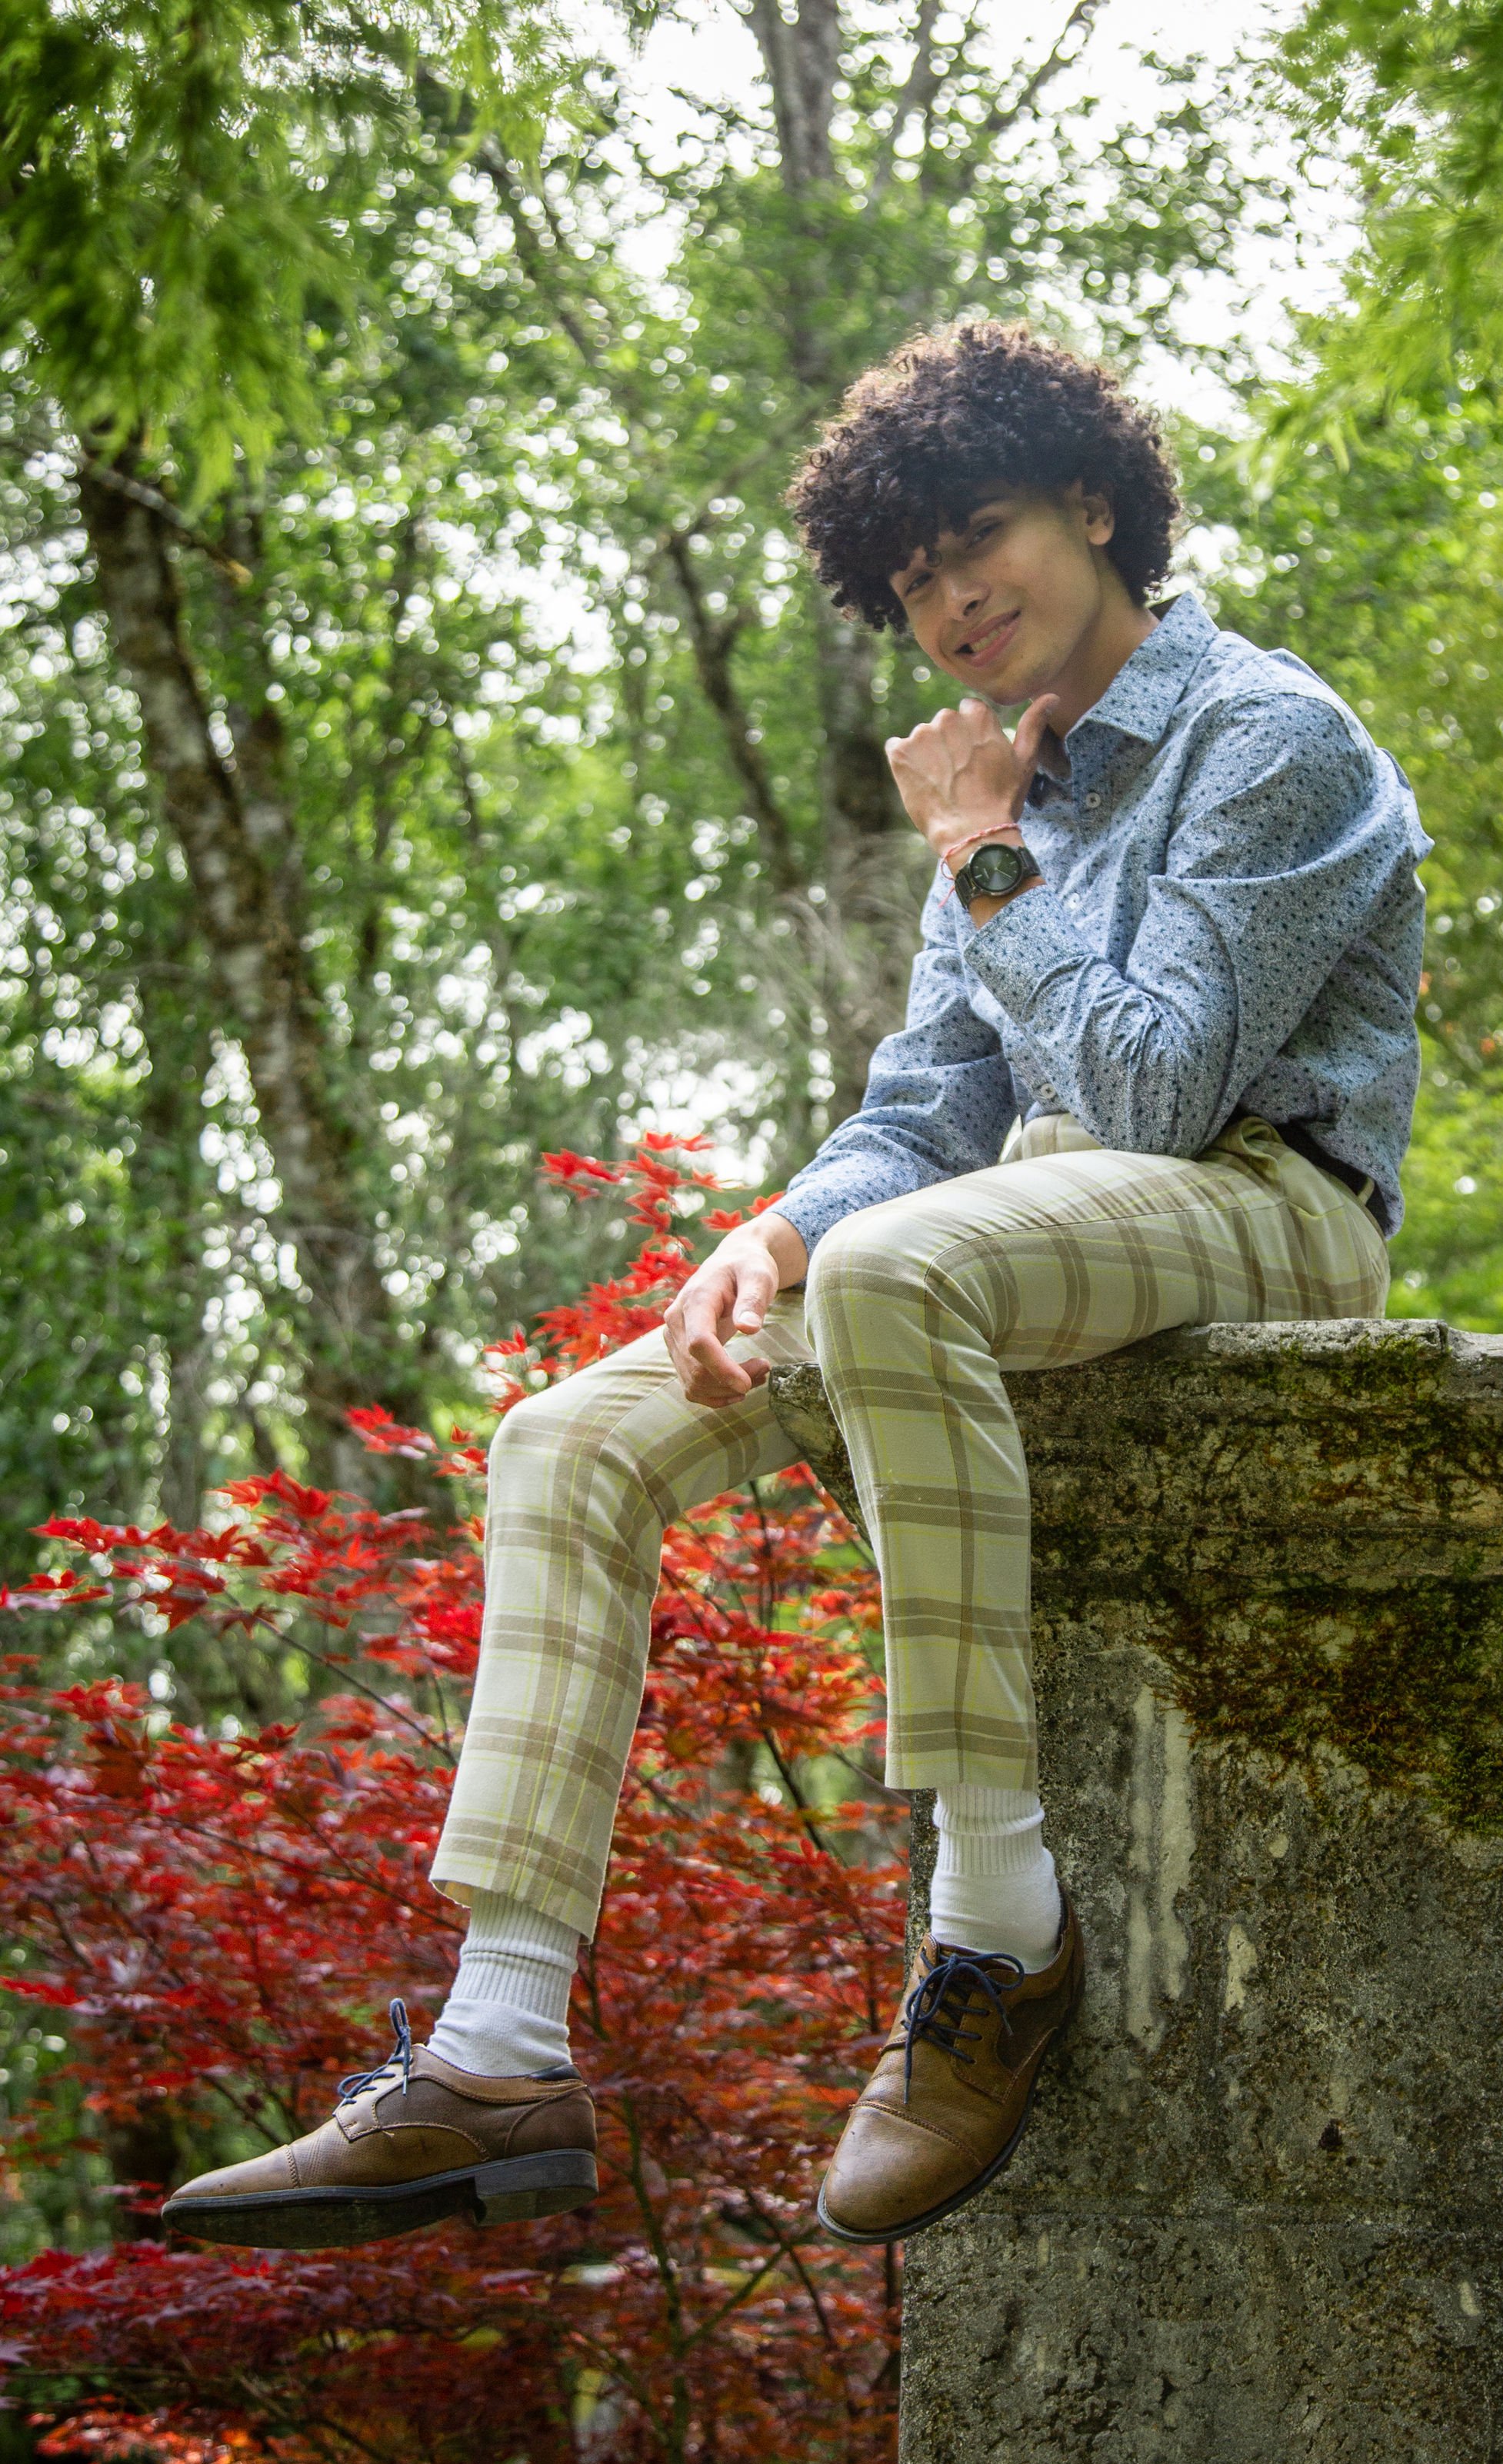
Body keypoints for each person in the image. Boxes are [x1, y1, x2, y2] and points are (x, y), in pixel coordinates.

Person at [162, 323, 1429, 2257]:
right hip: (1010, 1226)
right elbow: (928, 1108)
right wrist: (778, 1230)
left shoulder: (1270, 737)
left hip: (1275, 1199)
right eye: (905, 577)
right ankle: (497, 2050)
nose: (944, 599)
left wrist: (986, 860)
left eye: (973, 538)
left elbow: (1165, 1090)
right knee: (564, 1440)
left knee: (902, 1267)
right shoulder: (991, 802)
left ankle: (995, 1929)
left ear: (1094, 504)